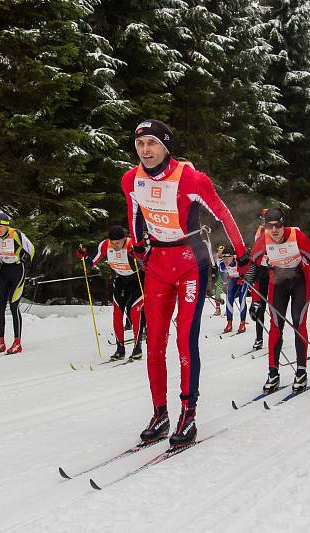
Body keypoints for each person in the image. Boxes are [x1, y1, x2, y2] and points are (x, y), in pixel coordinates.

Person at [123, 119, 247, 447]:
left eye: (152, 143)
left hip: (191, 263)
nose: (145, 150)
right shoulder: (130, 179)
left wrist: (243, 253)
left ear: (165, 146)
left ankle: (188, 413)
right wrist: (137, 246)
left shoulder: (191, 178)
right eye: (140, 144)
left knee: (184, 340)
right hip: (158, 266)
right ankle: (160, 412)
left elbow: (223, 215)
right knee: (154, 343)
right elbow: (133, 214)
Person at [247, 208, 310, 393]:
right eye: (269, 226)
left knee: (299, 322)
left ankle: (301, 371)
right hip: (278, 282)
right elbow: (253, 271)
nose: (274, 230)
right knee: (275, 325)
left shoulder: (298, 237)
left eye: (278, 226)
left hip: (299, 280)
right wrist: (256, 300)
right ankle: (273, 372)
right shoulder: (262, 240)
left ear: (284, 224)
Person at [78, 225, 145, 361]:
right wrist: (84, 258)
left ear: (124, 239)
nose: (114, 245)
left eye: (118, 242)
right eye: (112, 242)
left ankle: (137, 347)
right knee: (117, 313)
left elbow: (147, 261)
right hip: (121, 280)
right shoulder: (105, 245)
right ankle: (120, 349)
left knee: (134, 311)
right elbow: (92, 261)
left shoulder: (132, 244)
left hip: (138, 280)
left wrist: (138, 257)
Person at [0, 212, 35, 355]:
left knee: (14, 305)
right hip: (4, 272)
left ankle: (17, 342)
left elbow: (32, 250)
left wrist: (32, 273)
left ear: (6, 227)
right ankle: (1, 341)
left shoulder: (16, 234)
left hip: (17, 271)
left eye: (0, 227)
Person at [248, 212, 271, 350]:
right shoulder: (259, 232)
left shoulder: (278, 231)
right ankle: (259, 338)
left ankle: (277, 336)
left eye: (265, 219)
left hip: (275, 272)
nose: (263, 222)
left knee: (275, 307)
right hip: (262, 272)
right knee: (259, 307)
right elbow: (255, 255)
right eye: (262, 219)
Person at [217, 246, 248, 333]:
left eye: (228, 258)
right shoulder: (222, 265)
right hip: (232, 280)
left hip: (243, 279)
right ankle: (229, 323)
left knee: (242, 299)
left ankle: (242, 323)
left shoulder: (238, 261)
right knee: (229, 299)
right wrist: (225, 281)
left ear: (233, 257)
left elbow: (248, 269)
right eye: (224, 258)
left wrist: (242, 278)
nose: (226, 260)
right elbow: (222, 275)